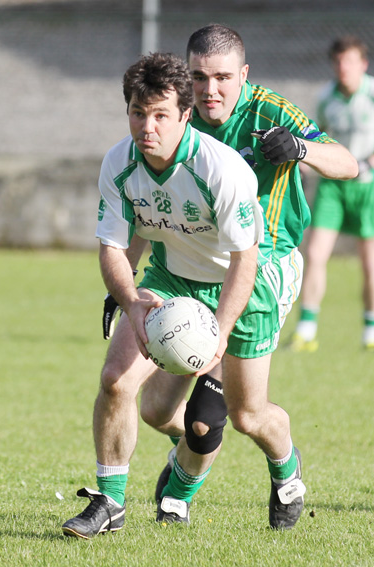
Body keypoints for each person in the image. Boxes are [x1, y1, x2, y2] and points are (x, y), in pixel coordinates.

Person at [96, 24, 358, 535]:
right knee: (153, 409)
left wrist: (301, 150)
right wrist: (122, 284)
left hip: (258, 271)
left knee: (238, 415)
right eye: (198, 77)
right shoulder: (174, 117)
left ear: (243, 76)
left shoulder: (270, 113)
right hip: (186, 271)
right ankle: (192, 454)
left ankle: (281, 475)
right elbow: (158, 209)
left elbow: (347, 164)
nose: (209, 89)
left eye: (221, 78)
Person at [62, 51, 307, 539]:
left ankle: (286, 468)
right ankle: (109, 503)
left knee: (245, 415)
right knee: (122, 386)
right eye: (137, 112)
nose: (146, 126)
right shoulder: (119, 162)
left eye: (159, 115)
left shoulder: (222, 169)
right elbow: (112, 245)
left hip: (245, 283)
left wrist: (218, 337)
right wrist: (130, 298)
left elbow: (245, 259)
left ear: (184, 115)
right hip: (173, 277)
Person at [290, 35, 374, 352]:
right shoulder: (325, 97)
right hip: (333, 186)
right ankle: (306, 331)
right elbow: (316, 141)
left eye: (350, 61)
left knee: (371, 263)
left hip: (371, 187)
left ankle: (371, 335)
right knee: (315, 254)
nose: (344, 67)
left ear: (363, 64)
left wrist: (369, 163)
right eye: (339, 61)